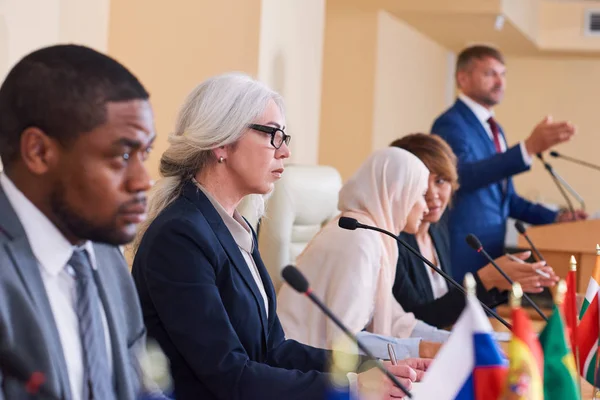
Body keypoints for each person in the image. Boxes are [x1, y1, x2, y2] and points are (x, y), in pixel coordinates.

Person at [131, 73, 426, 400]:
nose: (284, 151)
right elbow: (229, 374)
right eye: (272, 134)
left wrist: (372, 367)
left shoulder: (235, 226)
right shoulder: (180, 236)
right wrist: (352, 389)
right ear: (221, 143)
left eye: (285, 137)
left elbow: (274, 351)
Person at [0, 45, 158, 400]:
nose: (143, 180)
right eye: (122, 155)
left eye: (144, 153)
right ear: (39, 152)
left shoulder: (103, 252)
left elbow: (143, 386)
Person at [277, 147, 451, 361]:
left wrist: (454, 341)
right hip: (302, 368)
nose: (425, 207)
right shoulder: (358, 240)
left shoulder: (375, 234)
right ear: (397, 193)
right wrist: (423, 349)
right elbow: (344, 340)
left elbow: (398, 322)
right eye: (420, 195)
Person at [431, 45, 587, 283]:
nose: (500, 82)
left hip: (491, 247)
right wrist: (527, 149)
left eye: (502, 74)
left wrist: (556, 218)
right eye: (490, 74)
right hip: (463, 247)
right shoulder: (450, 123)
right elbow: (460, 176)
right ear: (463, 78)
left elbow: (507, 199)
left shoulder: (495, 129)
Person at [390, 133, 558, 328]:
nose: (433, 194)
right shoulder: (393, 240)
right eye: (422, 182)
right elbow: (417, 321)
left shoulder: (437, 229)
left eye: (441, 181)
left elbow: (447, 309)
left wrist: (497, 284)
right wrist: (485, 280)